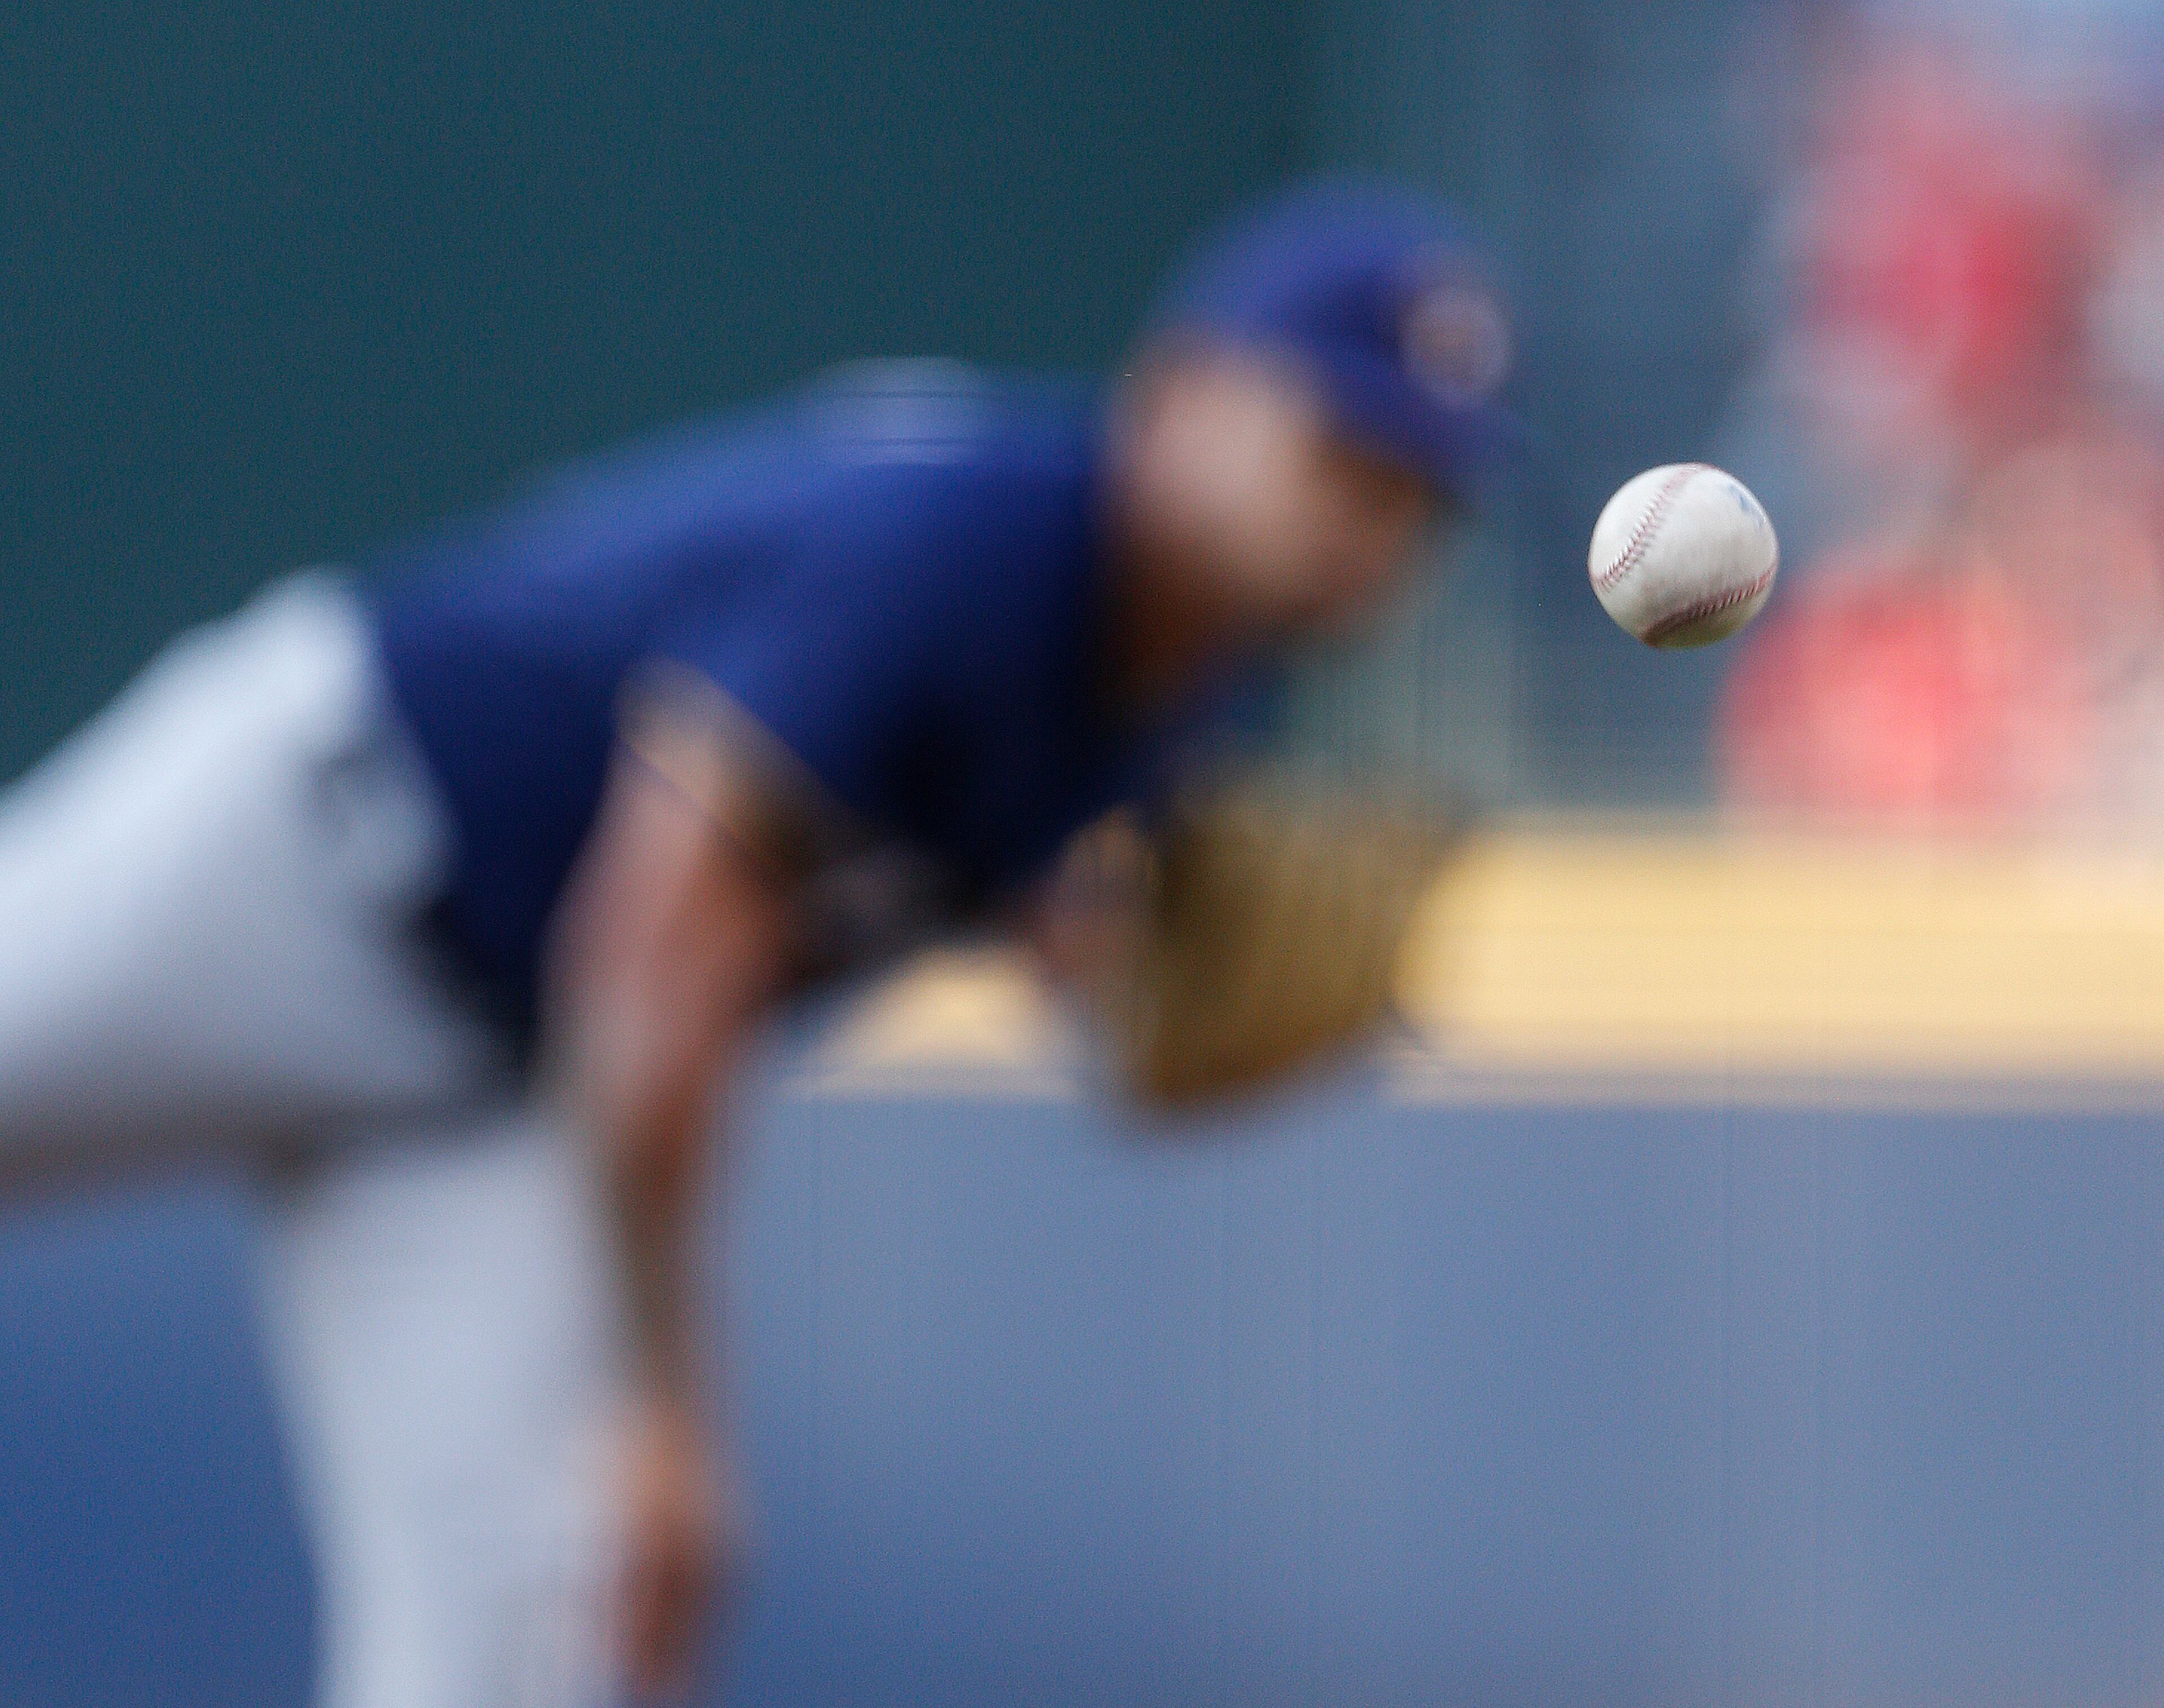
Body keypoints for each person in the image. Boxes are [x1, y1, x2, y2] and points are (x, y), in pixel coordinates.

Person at [0, 179, 1510, 1707]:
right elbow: (651, 948)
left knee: (542, 1649)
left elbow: (1009, 913)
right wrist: (664, 1410)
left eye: (1419, 494)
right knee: (622, 1504)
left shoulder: (1190, 697)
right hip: (297, 859)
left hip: (496, 1091)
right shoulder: (972, 539)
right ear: (1184, 391)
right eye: (1344, 452)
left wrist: (1124, 979)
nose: (1372, 523)